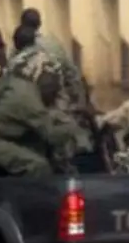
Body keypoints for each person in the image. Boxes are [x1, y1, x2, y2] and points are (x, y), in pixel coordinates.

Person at [0, 26, 82, 176]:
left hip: (10, 135)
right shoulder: (32, 104)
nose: (53, 94)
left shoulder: (19, 80)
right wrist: (73, 126)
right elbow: (52, 135)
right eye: (52, 90)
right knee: (38, 166)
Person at [15, 8, 94, 153]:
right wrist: (80, 103)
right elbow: (73, 75)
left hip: (28, 111)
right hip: (58, 106)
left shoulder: (18, 48)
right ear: (39, 24)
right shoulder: (54, 44)